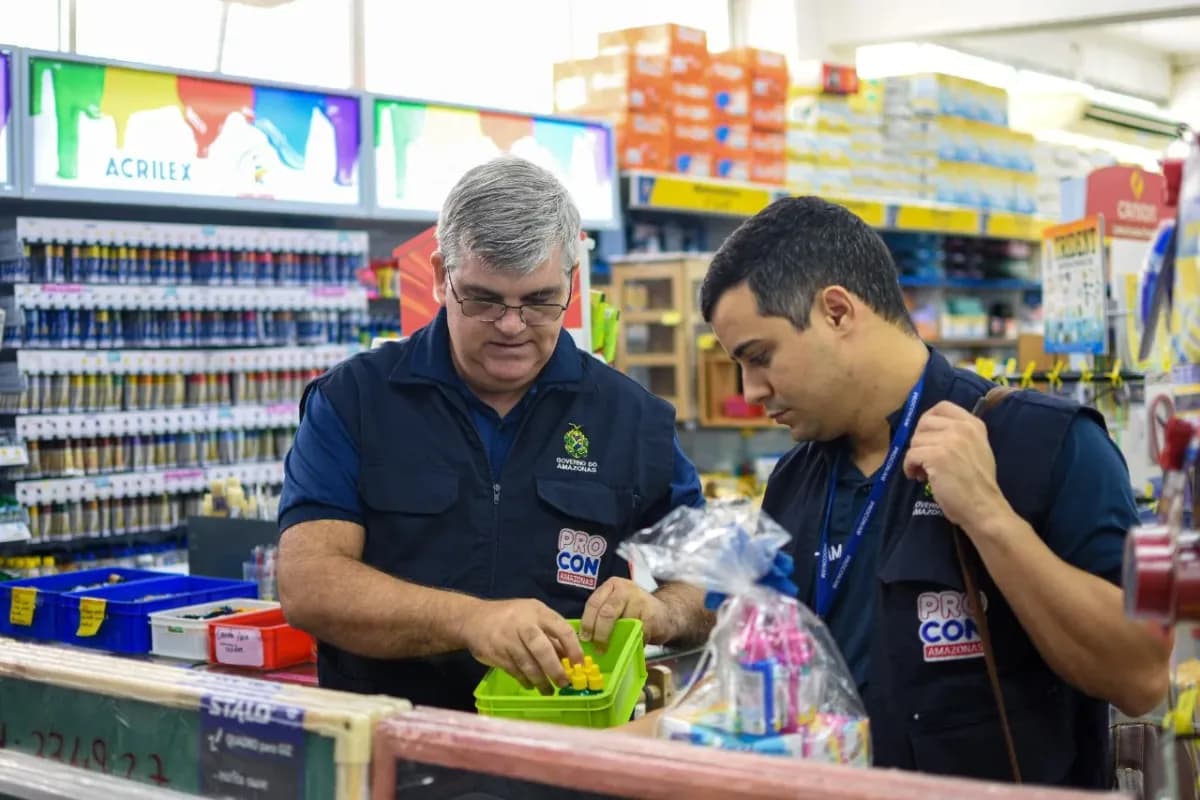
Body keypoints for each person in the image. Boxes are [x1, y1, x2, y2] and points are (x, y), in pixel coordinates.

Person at [697, 196, 1170, 787]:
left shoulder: (1043, 444)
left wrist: (990, 518)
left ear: (837, 312)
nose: (751, 390)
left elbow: (1140, 675)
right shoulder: (795, 481)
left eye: (760, 357)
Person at [277, 156, 710, 711]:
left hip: (567, 757)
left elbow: (712, 583)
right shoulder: (354, 401)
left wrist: (662, 612)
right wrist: (470, 621)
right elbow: (308, 584)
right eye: (483, 299)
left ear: (572, 284)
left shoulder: (633, 418)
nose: (512, 326)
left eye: (538, 300)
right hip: (393, 751)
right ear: (440, 276)